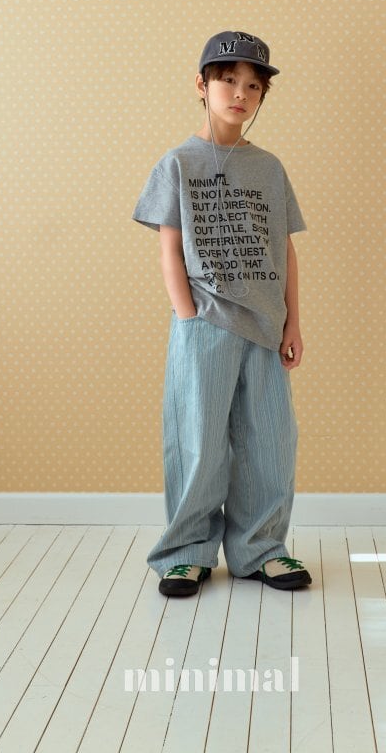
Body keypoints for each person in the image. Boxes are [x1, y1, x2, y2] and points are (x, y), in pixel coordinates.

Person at [132, 30, 312, 596]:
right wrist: (188, 316)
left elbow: (284, 249)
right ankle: (186, 552)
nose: (240, 94)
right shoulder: (178, 163)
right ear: (201, 85)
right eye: (228, 80)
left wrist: (293, 321)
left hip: (264, 325)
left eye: (253, 86)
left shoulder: (269, 168)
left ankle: (262, 550)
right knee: (198, 440)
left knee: (269, 442)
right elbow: (169, 247)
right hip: (205, 322)